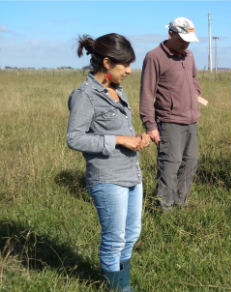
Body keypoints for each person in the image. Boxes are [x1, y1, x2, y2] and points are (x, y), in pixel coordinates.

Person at [67, 33, 150, 291]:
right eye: (124, 64)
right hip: (107, 177)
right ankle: (118, 288)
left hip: (131, 174)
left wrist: (135, 139)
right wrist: (120, 140)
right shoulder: (84, 95)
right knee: (115, 239)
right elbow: (75, 138)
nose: (129, 70)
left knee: (131, 234)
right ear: (106, 62)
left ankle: (121, 282)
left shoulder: (117, 90)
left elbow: (117, 131)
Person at [139, 17, 202, 211]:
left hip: (191, 121)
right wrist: (150, 126)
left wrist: (194, 92)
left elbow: (193, 78)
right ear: (171, 34)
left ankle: (181, 204)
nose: (186, 43)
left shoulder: (189, 55)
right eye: (182, 39)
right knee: (169, 166)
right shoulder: (154, 57)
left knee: (190, 164)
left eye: (189, 39)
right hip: (169, 122)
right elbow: (147, 93)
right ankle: (164, 209)